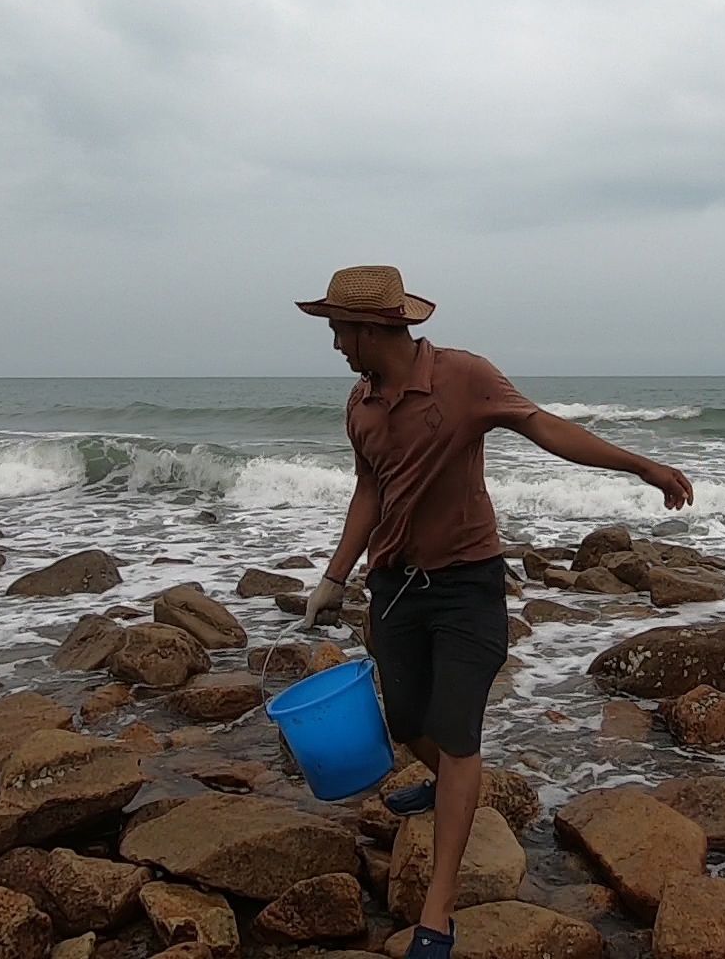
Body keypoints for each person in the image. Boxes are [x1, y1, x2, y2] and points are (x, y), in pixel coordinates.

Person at [295, 265, 694, 959]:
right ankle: (446, 785)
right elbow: (368, 490)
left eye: (338, 331)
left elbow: (545, 428)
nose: (334, 346)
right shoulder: (359, 403)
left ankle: (438, 913)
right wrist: (335, 577)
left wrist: (641, 467)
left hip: (467, 586)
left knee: (455, 734)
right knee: (405, 721)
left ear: (372, 328)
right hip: (395, 587)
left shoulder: (463, 376)